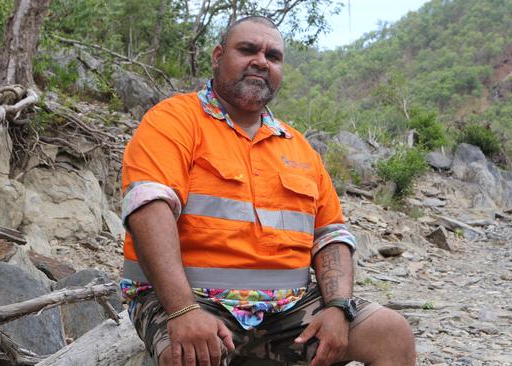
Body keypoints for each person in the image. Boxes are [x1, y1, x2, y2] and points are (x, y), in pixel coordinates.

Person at [120, 16, 415, 366]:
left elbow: (331, 236)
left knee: (391, 334)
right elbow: (148, 209)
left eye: (273, 56)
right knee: (190, 357)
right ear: (217, 56)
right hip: (191, 300)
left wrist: (338, 307)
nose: (261, 61)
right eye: (247, 50)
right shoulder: (173, 120)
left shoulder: (299, 147)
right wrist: (183, 309)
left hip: (288, 308)